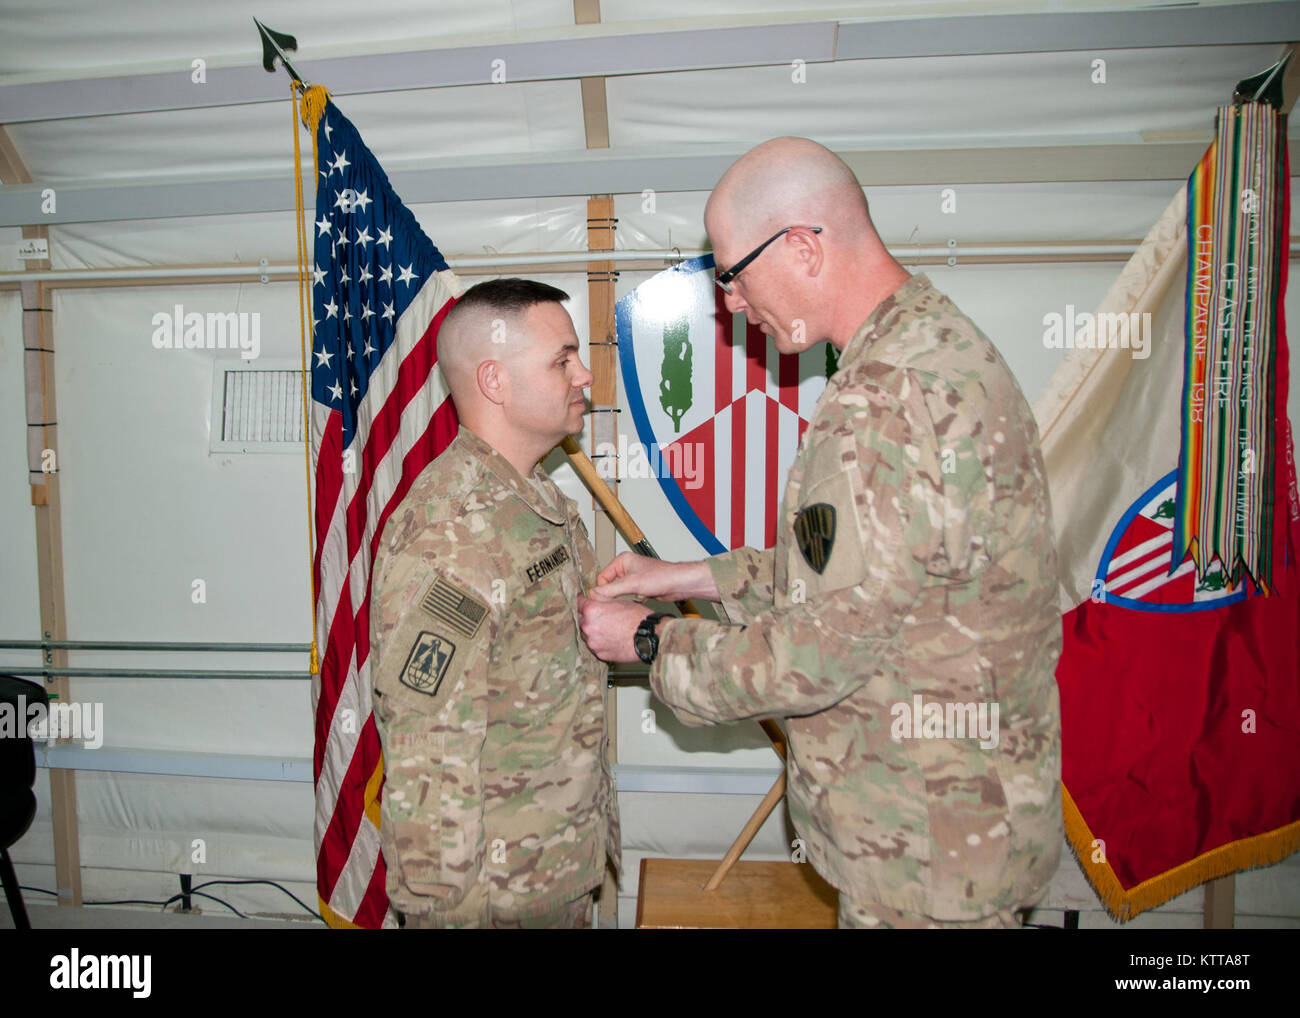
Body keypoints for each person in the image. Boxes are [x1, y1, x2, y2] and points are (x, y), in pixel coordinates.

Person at [577, 137, 1062, 929]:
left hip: (924, 859)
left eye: (731, 275)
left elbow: (814, 658)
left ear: (801, 246)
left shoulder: (882, 402)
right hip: (960, 832)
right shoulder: (932, 349)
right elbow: (854, 575)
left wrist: (650, 641)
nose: (729, 303)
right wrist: (682, 578)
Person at [371, 277, 619, 928]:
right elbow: (428, 752)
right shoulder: (451, 536)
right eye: (562, 359)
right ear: (494, 380)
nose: (584, 375)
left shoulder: (537, 500)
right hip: (490, 897)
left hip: (554, 873)